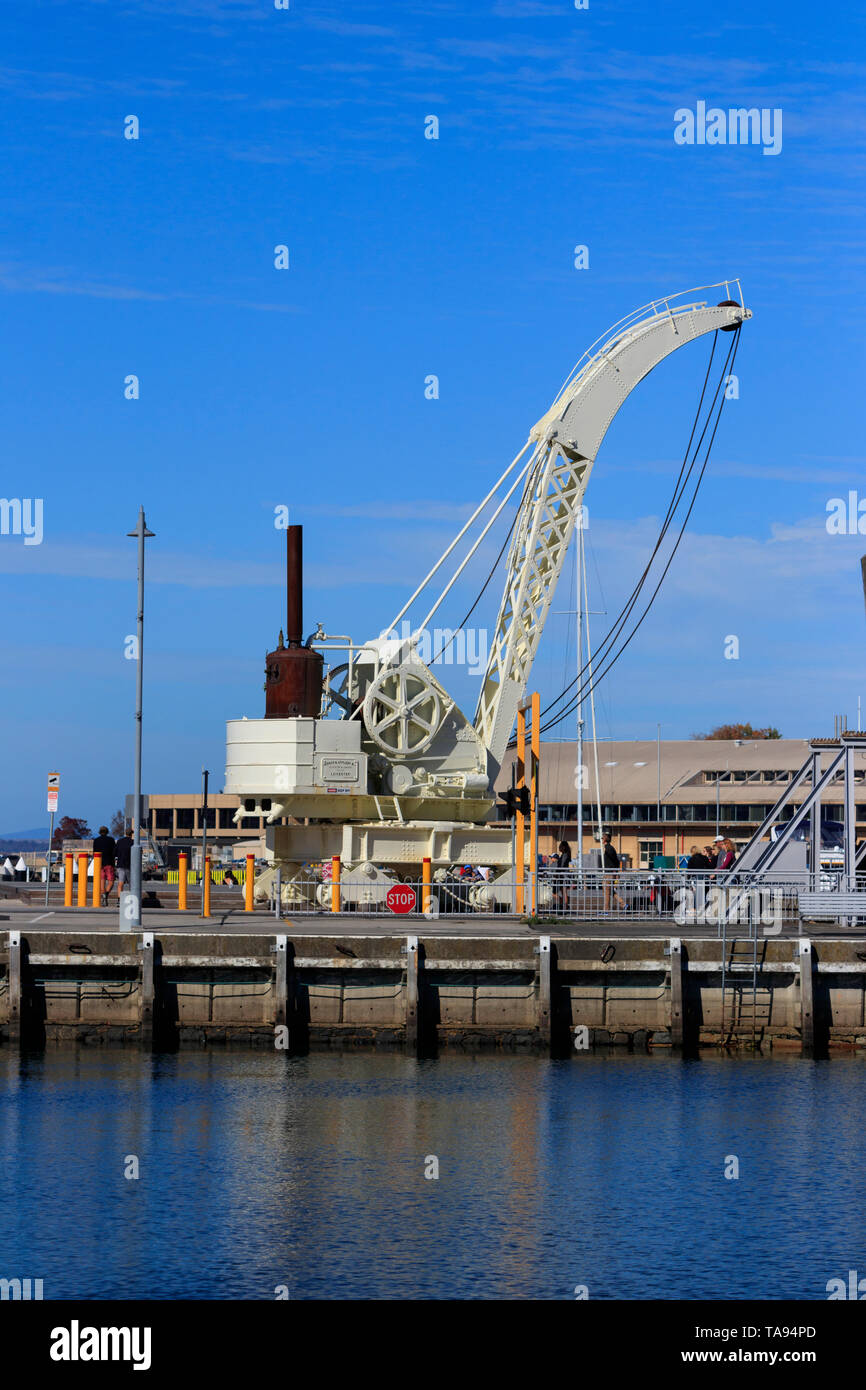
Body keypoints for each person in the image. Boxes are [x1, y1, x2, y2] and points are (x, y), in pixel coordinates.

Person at [602, 832, 625, 913]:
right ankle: (623, 904)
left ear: (605, 839)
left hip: (609, 873)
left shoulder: (609, 849)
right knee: (609, 890)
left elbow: (615, 860)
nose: (601, 839)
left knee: (607, 891)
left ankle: (606, 910)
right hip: (610, 872)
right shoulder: (609, 848)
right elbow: (616, 860)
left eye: (602, 837)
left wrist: (615, 871)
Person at [92, 825, 116, 905]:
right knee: (111, 881)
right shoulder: (111, 840)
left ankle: (103, 896)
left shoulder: (96, 840)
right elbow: (114, 852)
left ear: (100, 832)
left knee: (102, 881)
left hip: (99, 863)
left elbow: (94, 852)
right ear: (107, 832)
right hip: (109, 862)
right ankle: (106, 894)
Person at [114, 826, 133, 896]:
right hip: (129, 865)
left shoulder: (119, 841)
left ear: (125, 833)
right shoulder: (133, 842)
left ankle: (119, 899)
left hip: (120, 864)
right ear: (131, 834)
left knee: (120, 883)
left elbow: (115, 853)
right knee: (131, 884)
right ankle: (132, 897)